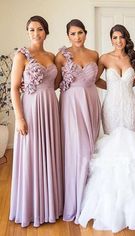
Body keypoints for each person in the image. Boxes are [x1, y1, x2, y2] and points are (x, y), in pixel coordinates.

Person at [78, 24, 135, 233]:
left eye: (122, 37)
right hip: (110, 107)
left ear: (127, 39)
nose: (119, 41)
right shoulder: (104, 59)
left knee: (130, 149)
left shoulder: (133, 59)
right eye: (115, 37)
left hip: (129, 106)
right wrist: (113, 87)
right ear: (111, 39)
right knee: (113, 148)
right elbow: (94, 79)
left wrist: (127, 87)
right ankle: (109, 205)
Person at [9, 15, 63, 227]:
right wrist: (19, 118)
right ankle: (31, 208)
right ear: (28, 33)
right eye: (31, 30)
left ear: (46, 32)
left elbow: (55, 84)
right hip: (31, 110)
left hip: (50, 107)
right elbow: (14, 88)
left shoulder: (51, 56)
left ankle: (50, 206)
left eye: (39, 29)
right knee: (32, 155)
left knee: (49, 153)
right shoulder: (21, 56)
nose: (35, 33)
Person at [55, 19, 101, 223]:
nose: (77, 37)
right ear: (68, 36)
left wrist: (122, 87)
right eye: (72, 34)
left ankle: (91, 200)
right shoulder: (61, 56)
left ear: (85, 33)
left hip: (91, 102)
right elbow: (54, 83)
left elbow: (97, 80)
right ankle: (75, 201)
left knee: (91, 150)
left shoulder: (94, 55)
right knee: (77, 150)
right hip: (71, 105)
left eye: (80, 32)